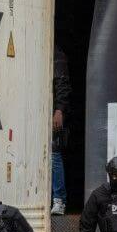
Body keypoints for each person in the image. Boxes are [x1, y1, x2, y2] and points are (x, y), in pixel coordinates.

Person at [51, 45, 71, 215]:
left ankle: (59, 200)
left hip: (52, 112)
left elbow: (63, 84)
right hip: (39, 111)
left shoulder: (56, 55)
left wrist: (59, 110)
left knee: (54, 154)